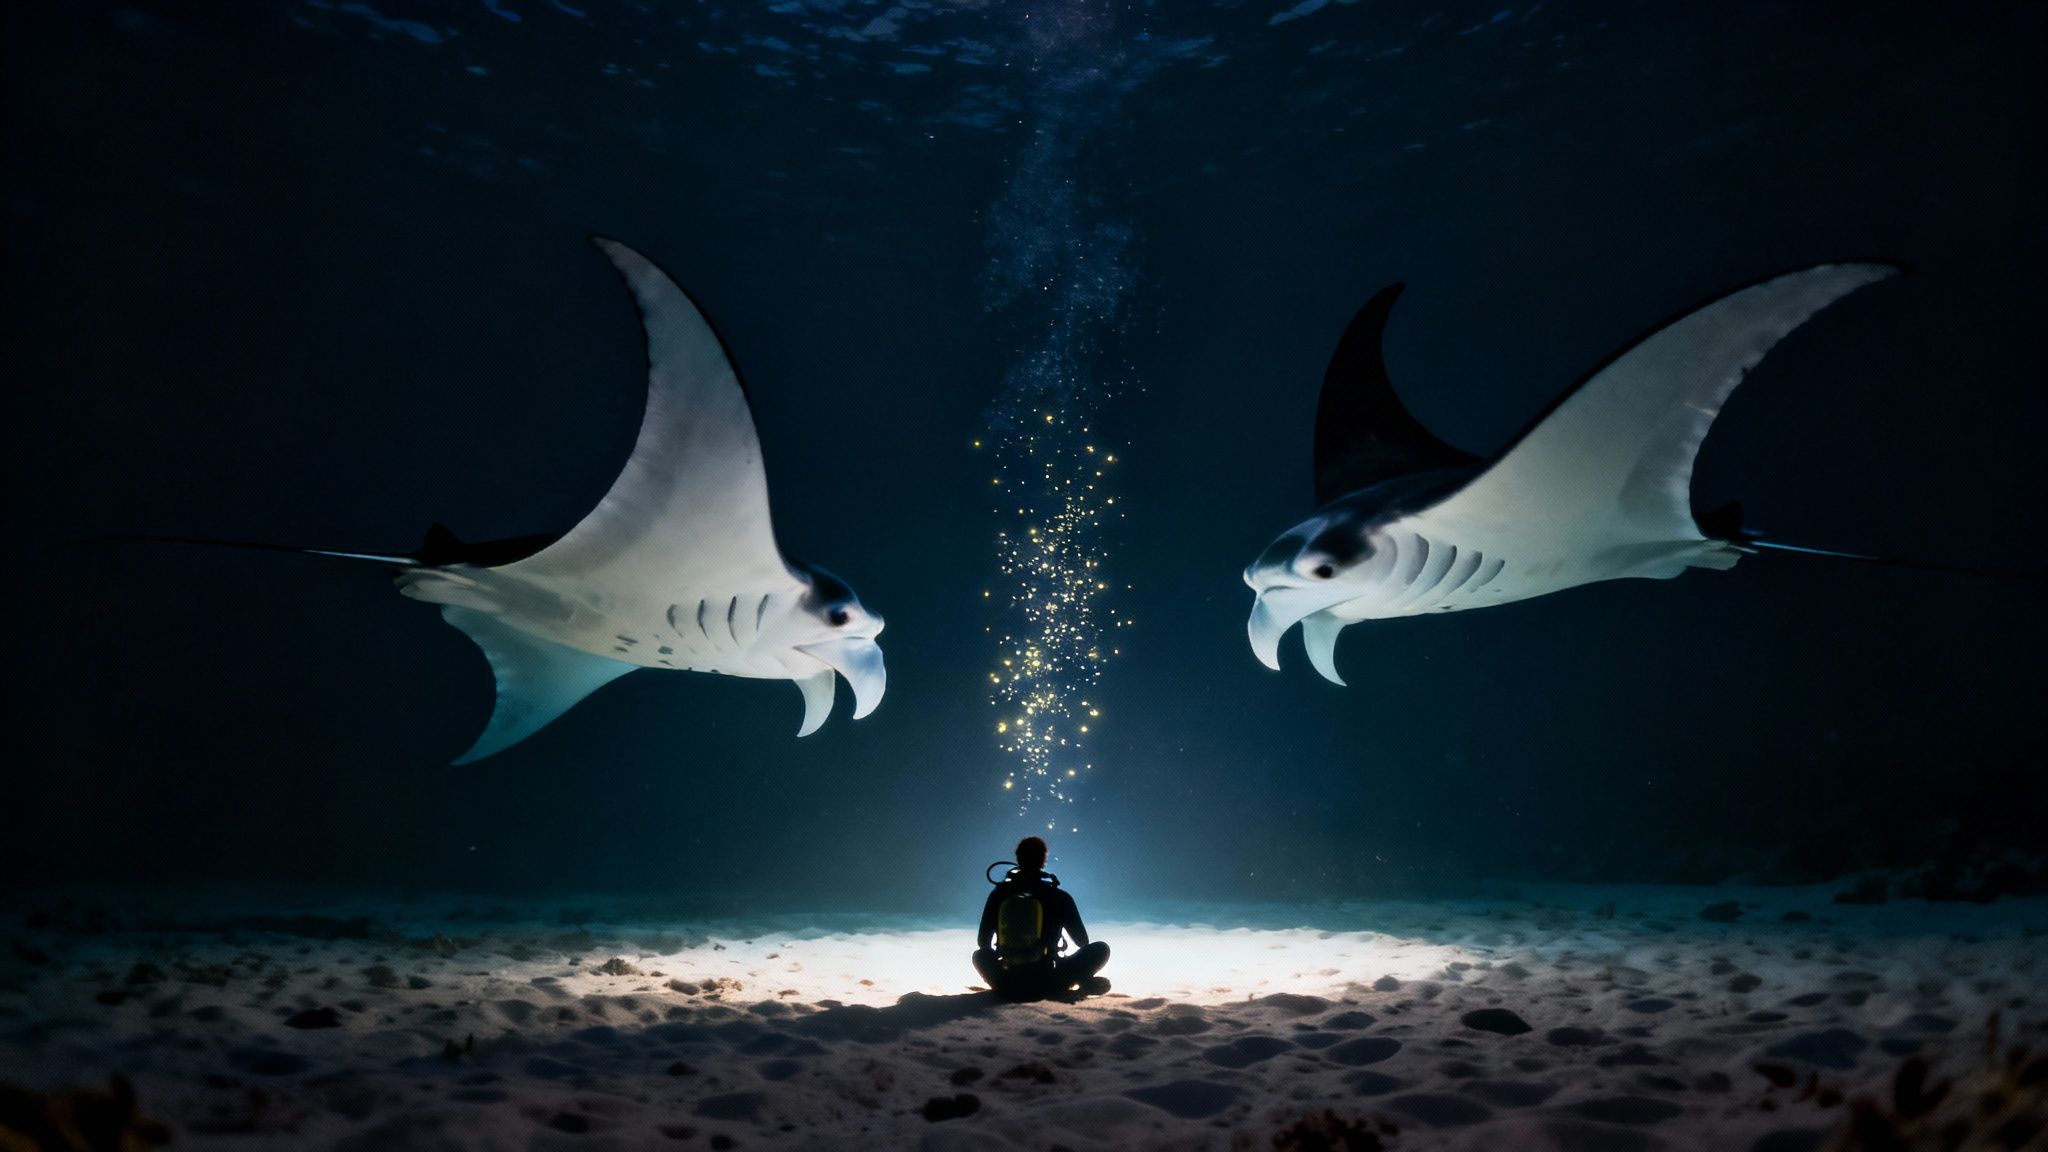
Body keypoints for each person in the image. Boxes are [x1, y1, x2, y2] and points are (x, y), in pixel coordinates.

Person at [973, 836, 1110, 1000]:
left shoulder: (998, 895)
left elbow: (983, 942)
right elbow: (1082, 941)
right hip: (1051, 980)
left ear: (1018, 858)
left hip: (1009, 980)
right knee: (1101, 948)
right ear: (1043, 860)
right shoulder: (1059, 896)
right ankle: (1080, 981)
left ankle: (1004, 988)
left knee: (979, 955)